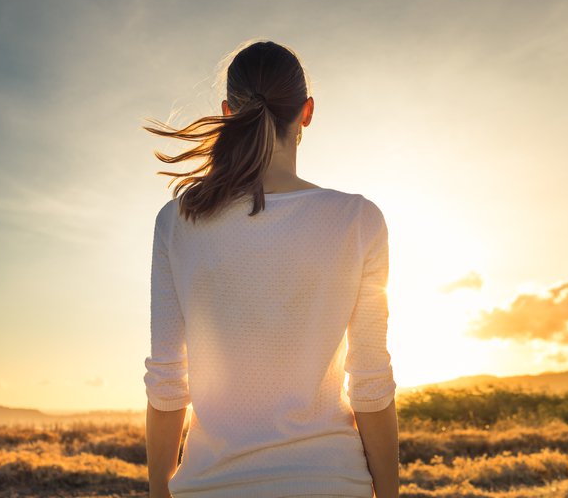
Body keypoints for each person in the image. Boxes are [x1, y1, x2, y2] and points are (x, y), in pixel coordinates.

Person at [141, 39, 399, 498]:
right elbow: (371, 382)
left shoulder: (178, 222)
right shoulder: (359, 221)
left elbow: (167, 379)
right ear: (307, 111)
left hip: (210, 487)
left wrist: (159, 490)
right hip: (332, 483)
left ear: (227, 111)